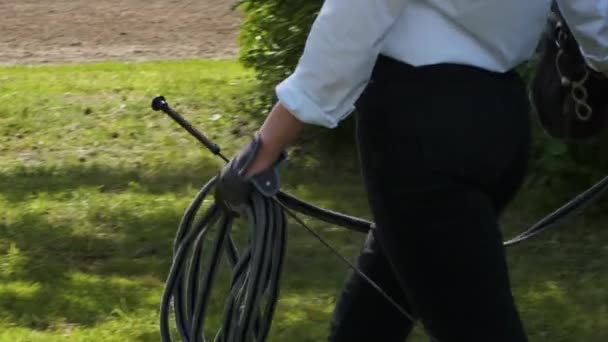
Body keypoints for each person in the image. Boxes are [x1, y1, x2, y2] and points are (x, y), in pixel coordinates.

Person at [216, 1, 608, 341]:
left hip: (419, 130)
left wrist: (265, 146)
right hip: (500, 122)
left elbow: (353, 20)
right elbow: (596, 20)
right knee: (376, 313)